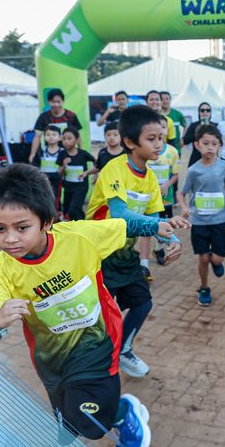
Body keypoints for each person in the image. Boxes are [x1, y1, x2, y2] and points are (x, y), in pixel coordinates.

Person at [0, 163, 167, 444]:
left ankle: (123, 413)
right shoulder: (2, 267)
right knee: (67, 427)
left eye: (22, 227)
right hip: (51, 361)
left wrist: (161, 228)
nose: (10, 238)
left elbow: (123, 225)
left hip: (96, 345)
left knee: (90, 425)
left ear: (47, 222)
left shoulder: (78, 237)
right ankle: (98, 418)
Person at [86, 106, 187, 377]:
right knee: (98, 319)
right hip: (97, 257)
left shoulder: (151, 178)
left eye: (161, 138)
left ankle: (123, 350)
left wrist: (172, 240)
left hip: (123, 254)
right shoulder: (114, 169)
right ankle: (94, 369)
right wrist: (158, 226)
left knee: (142, 303)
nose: (159, 144)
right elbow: (120, 215)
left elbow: (154, 220)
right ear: (130, 142)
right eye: (151, 139)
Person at [177, 124, 225, 307]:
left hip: (219, 220)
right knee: (203, 258)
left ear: (220, 146)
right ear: (197, 145)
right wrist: (184, 208)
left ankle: (217, 262)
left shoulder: (224, 166)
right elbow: (181, 193)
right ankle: (204, 287)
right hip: (199, 221)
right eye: (206, 143)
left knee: (216, 258)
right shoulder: (194, 170)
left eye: (214, 144)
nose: (210, 148)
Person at [147, 117, 181, 265]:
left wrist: (167, 184)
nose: (161, 129)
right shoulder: (146, 151)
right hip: (148, 198)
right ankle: (144, 259)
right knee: (149, 224)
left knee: (166, 224)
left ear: (168, 130)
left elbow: (175, 174)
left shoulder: (172, 151)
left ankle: (159, 249)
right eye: (158, 126)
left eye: (164, 127)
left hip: (166, 198)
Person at [29, 88, 83, 164]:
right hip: (49, 154)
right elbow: (37, 136)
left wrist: (80, 151)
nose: (56, 104)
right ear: (48, 102)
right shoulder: (43, 117)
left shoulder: (71, 116)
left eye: (58, 102)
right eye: (53, 102)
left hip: (68, 153)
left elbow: (78, 135)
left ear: (63, 101)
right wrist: (33, 153)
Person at [57, 127, 95, 221]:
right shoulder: (62, 154)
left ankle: (80, 224)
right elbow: (59, 173)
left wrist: (92, 173)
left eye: (69, 138)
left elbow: (97, 163)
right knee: (67, 210)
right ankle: (82, 220)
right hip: (68, 187)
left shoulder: (83, 154)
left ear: (77, 140)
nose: (66, 141)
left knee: (73, 209)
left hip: (81, 187)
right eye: (64, 139)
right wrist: (64, 166)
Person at [33, 125, 63, 211]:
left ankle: (56, 213)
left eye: (54, 135)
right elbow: (36, 165)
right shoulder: (41, 151)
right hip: (44, 180)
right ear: (44, 137)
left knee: (55, 197)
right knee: (44, 197)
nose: (51, 137)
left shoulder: (62, 152)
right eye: (48, 135)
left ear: (60, 137)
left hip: (57, 180)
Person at [182, 102, 217, 167]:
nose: (205, 112)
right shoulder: (193, 125)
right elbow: (186, 140)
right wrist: (199, 132)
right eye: (202, 110)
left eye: (208, 110)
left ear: (210, 113)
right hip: (196, 158)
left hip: (211, 158)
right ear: (199, 113)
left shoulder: (215, 126)